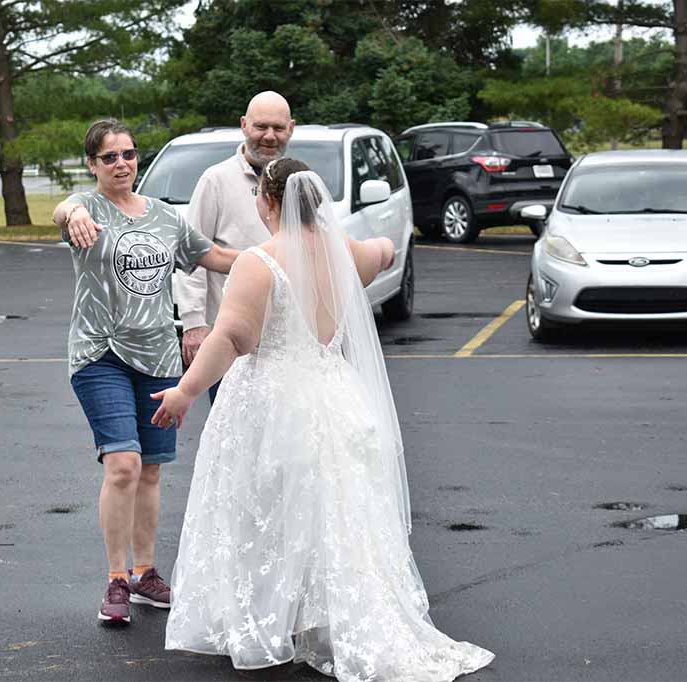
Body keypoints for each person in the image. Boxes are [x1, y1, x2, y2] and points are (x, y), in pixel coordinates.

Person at [153, 158, 495, 681]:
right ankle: (322, 615)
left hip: (273, 399)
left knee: (266, 509)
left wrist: (184, 391)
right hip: (335, 394)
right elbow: (383, 254)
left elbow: (231, 339)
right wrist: (380, 248)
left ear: (268, 202)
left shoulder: (258, 262)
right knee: (333, 509)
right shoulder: (346, 254)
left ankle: (273, 618)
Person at [53, 118, 240, 627]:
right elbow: (62, 208)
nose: (122, 164)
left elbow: (213, 256)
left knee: (152, 470)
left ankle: (144, 573)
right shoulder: (85, 211)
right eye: (109, 157)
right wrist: (70, 213)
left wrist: (268, 262)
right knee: (124, 466)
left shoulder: (164, 216)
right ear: (92, 164)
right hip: (101, 354)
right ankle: (116, 580)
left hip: (158, 357)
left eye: (129, 155)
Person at [174, 91, 295, 402]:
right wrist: (194, 324)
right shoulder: (216, 180)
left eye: (278, 128)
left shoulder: (301, 181)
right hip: (229, 341)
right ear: (244, 125)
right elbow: (191, 255)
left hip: (289, 345)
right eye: (261, 126)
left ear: (291, 129)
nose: (270, 136)